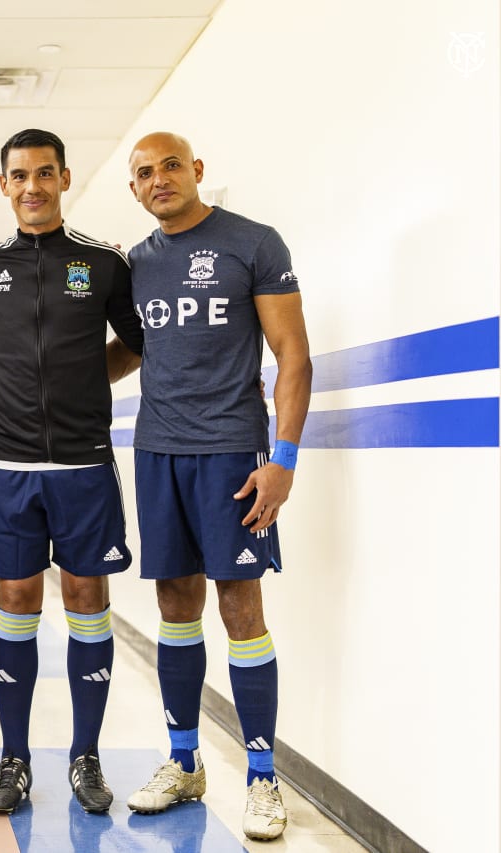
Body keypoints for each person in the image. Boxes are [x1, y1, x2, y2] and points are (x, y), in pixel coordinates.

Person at [120, 132, 312, 842]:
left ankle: (262, 777)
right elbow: (130, 351)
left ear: (197, 170)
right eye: (143, 173)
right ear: (133, 190)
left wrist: (282, 459)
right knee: (174, 602)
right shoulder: (135, 264)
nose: (159, 178)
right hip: (157, 451)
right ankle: (183, 760)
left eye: (171, 165)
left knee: (240, 606)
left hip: (232, 452)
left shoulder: (253, 242)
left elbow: (293, 355)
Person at [0, 128, 144, 816]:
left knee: (87, 597)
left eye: (44, 173)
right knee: (18, 599)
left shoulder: (103, 263)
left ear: (64, 178)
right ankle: (15, 756)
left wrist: (93, 377)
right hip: (9, 468)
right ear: (3, 185)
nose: (31, 186)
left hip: (84, 465)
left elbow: (140, 342)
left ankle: (85, 755)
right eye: (18, 175)